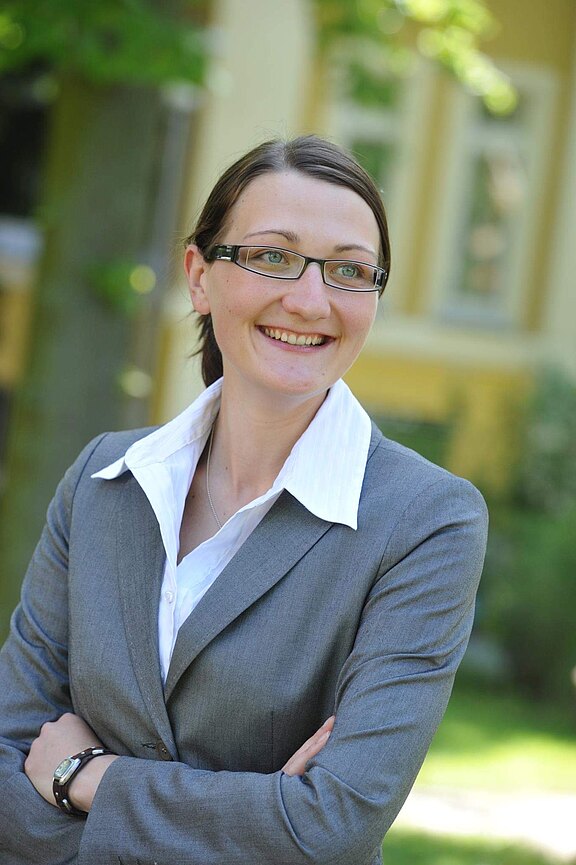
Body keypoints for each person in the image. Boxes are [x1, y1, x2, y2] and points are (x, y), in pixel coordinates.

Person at [0, 135, 488, 865]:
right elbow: (6, 764)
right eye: (272, 257)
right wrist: (255, 817)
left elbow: (330, 826)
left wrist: (83, 777)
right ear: (199, 277)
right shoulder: (104, 479)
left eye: (350, 270)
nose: (311, 300)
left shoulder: (426, 522)